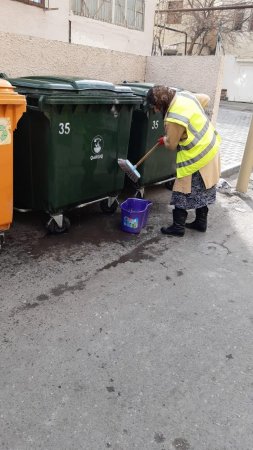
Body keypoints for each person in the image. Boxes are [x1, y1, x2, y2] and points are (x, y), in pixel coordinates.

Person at [146, 85, 221, 237]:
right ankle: (201, 222)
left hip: (197, 156)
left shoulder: (175, 116)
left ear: (160, 103)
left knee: (182, 189)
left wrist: (166, 139)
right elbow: (205, 98)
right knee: (202, 189)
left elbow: (172, 144)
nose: (155, 111)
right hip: (211, 148)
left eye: (155, 107)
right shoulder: (184, 96)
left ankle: (178, 227)